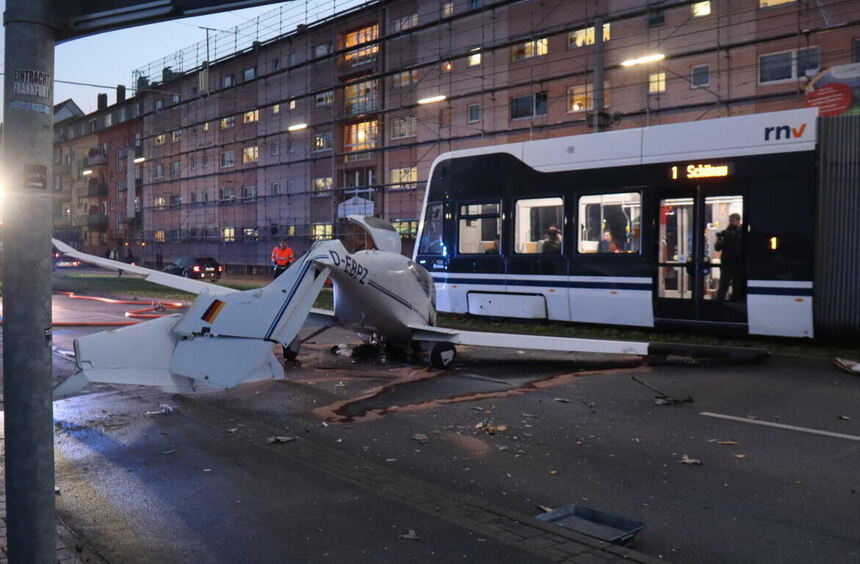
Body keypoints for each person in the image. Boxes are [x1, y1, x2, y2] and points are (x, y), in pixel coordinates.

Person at [715, 213, 744, 301]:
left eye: (732, 221)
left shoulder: (742, 233)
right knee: (724, 285)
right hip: (727, 263)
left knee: (737, 285)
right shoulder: (725, 233)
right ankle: (720, 302)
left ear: (738, 221)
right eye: (730, 221)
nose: (730, 223)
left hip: (737, 263)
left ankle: (735, 300)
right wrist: (719, 240)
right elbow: (717, 248)